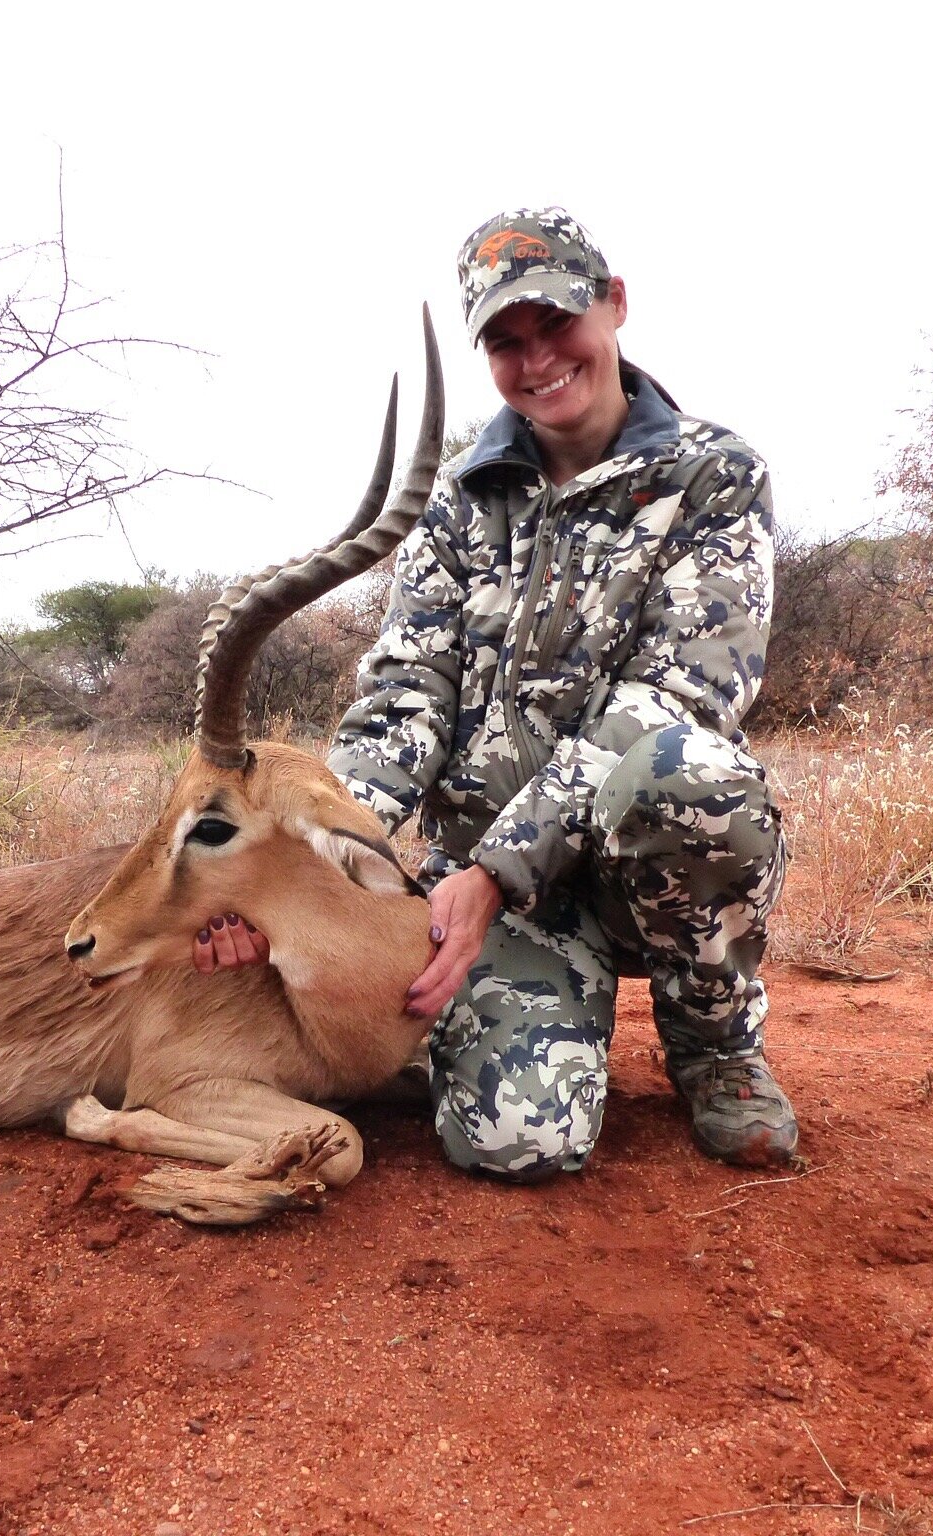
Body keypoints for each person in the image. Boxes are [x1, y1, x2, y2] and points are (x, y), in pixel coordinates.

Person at [196, 207, 796, 1176]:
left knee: (688, 776)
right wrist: (307, 854)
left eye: (555, 322)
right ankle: (490, 1036)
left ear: (613, 304)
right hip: (501, 901)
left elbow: (675, 699)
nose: (536, 360)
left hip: (634, 860)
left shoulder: (711, 478)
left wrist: (493, 870)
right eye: (504, 342)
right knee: (518, 1146)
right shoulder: (459, 497)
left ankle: (713, 1047)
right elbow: (406, 693)